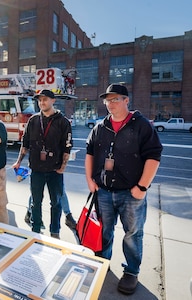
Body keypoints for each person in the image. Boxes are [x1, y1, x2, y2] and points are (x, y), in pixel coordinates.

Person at [85, 83, 162, 295]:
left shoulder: (141, 125)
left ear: (126, 100)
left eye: (115, 99)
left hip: (131, 193)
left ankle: (131, 272)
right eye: (107, 100)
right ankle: (102, 261)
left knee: (133, 234)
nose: (110, 104)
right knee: (104, 231)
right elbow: (90, 153)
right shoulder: (100, 126)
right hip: (103, 191)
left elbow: (154, 156)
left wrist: (142, 187)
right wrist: (90, 180)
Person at [13, 90, 72, 239]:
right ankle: (36, 229)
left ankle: (55, 231)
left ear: (53, 101)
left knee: (56, 203)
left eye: (45, 99)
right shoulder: (33, 120)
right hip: (36, 169)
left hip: (54, 170)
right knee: (36, 202)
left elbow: (67, 147)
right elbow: (25, 143)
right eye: (40, 100)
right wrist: (19, 162)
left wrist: (62, 169)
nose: (42, 103)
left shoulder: (62, 122)